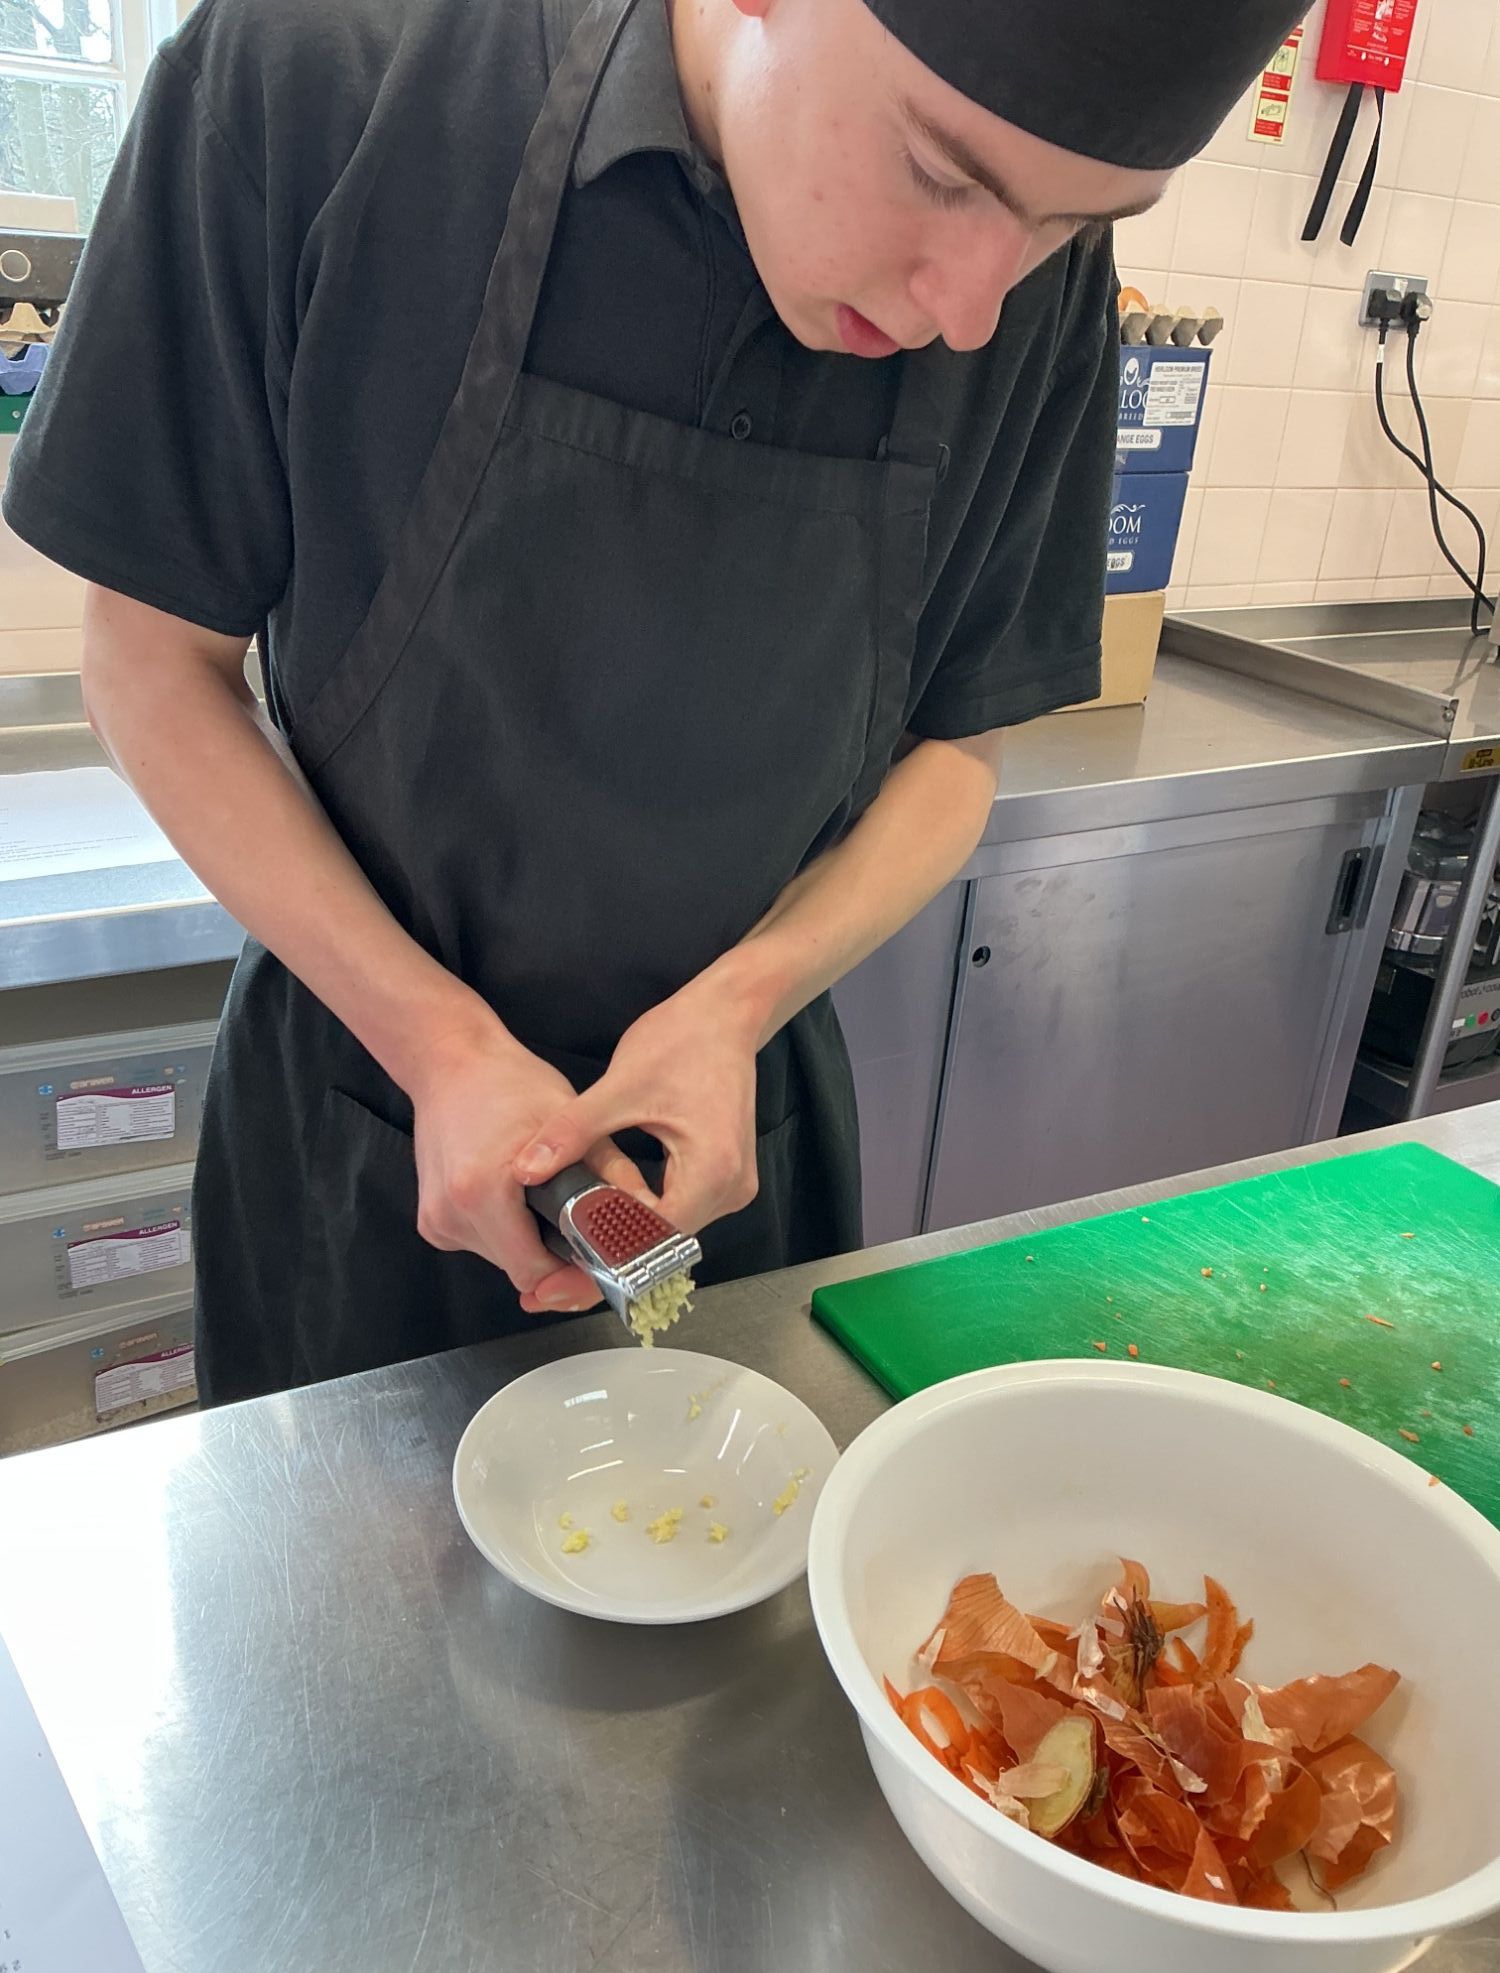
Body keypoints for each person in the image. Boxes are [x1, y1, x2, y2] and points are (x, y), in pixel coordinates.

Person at [2, 0, 1305, 1404]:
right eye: (940, 172)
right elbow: (152, 666)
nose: (972, 306)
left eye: (1067, 226)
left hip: (739, 1140)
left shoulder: (1024, 276)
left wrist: (739, 1006)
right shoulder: (311, 82)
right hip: (357, 1126)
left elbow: (959, 746)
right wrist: (438, 1043)